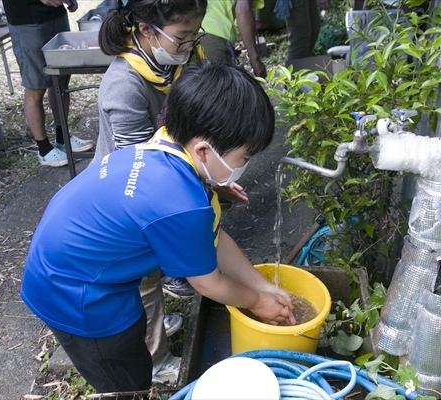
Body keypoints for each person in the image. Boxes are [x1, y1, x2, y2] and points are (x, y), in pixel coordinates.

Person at [20, 61, 296, 397]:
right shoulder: (183, 203)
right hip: (74, 293)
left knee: (133, 339)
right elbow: (208, 283)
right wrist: (256, 301)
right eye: (244, 157)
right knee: (125, 375)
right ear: (204, 151)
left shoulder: (166, 145)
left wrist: (262, 286)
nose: (244, 166)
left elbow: (214, 237)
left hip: (70, 261)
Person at [95, 0, 208, 383]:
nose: (190, 45)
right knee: (142, 278)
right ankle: (156, 361)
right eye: (182, 37)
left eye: (196, 35)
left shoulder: (171, 61)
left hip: (160, 173)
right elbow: (140, 173)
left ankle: (157, 320)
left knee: (155, 270)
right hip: (126, 195)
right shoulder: (124, 85)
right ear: (146, 31)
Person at [1, 0, 94, 167]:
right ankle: (43, 149)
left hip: (55, 14)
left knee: (60, 80)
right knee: (35, 86)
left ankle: (63, 137)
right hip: (27, 20)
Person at [200, 0, 267, 78]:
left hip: (187, 36)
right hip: (213, 34)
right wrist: (255, 59)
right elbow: (242, 11)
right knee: (223, 86)